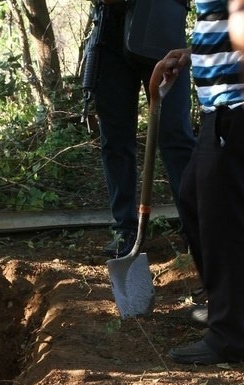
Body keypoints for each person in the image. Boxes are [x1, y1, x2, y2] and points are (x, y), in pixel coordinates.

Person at [163, 0, 244, 364]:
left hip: (241, 103)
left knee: (229, 219)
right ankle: (237, 308)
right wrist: (197, 53)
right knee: (194, 197)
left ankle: (232, 335)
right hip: (232, 103)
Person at [93, 0, 196, 257]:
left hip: (161, 29)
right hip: (109, 31)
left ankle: (197, 229)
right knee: (115, 139)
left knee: (175, 137)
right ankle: (124, 230)